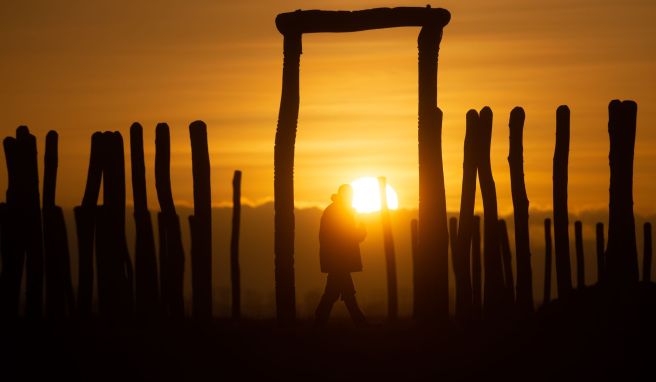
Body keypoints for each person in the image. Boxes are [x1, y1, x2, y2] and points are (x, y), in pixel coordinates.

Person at [314, 184, 368, 327]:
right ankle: (360, 322)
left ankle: (319, 322)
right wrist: (361, 232)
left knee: (337, 292)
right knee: (343, 293)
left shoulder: (335, 210)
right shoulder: (339, 212)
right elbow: (346, 236)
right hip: (339, 259)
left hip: (336, 259)